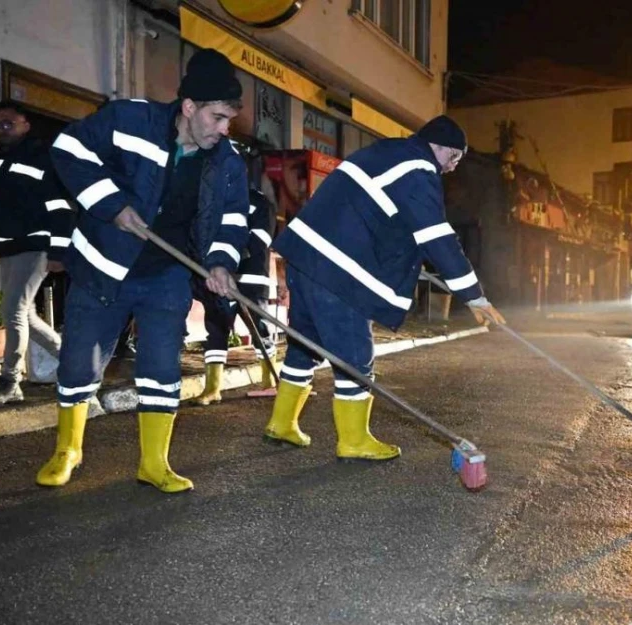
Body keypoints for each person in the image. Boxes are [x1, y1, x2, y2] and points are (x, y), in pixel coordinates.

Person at [36, 48, 250, 493]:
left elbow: (232, 217)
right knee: (79, 365)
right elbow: (68, 147)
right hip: (102, 266)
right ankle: (67, 450)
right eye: (217, 117)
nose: (224, 129)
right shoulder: (130, 119)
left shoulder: (226, 161)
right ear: (189, 107)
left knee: (160, 367)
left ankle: (155, 463)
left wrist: (221, 263)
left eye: (229, 119)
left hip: (167, 273)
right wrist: (112, 206)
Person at [265, 115, 505, 461]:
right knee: (355, 355)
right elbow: (436, 236)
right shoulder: (419, 170)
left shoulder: (386, 152)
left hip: (305, 258)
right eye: (453, 158)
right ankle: (353, 440)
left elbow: (385, 221)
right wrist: (473, 294)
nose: (452, 168)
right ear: (437, 147)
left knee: (306, 342)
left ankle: (281, 423)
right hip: (337, 270)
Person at [0, 100, 73, 407]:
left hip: (35, 246)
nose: (1, 129)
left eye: (8, 123)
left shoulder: (43, 159)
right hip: (7, 248)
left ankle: (10, 380)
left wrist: (58, 250)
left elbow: (60, 207)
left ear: (25, 125)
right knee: (23, 314)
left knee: (13, 310)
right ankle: (74, 362)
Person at [190, 151, 279, 405]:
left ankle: (269, 380)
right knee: (216, 328)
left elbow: (260, 240)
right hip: (219, 276)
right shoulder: (220, 198)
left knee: (260, 329)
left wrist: (232, 254)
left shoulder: (261, 203)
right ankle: (212, 388)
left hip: (250, 277)